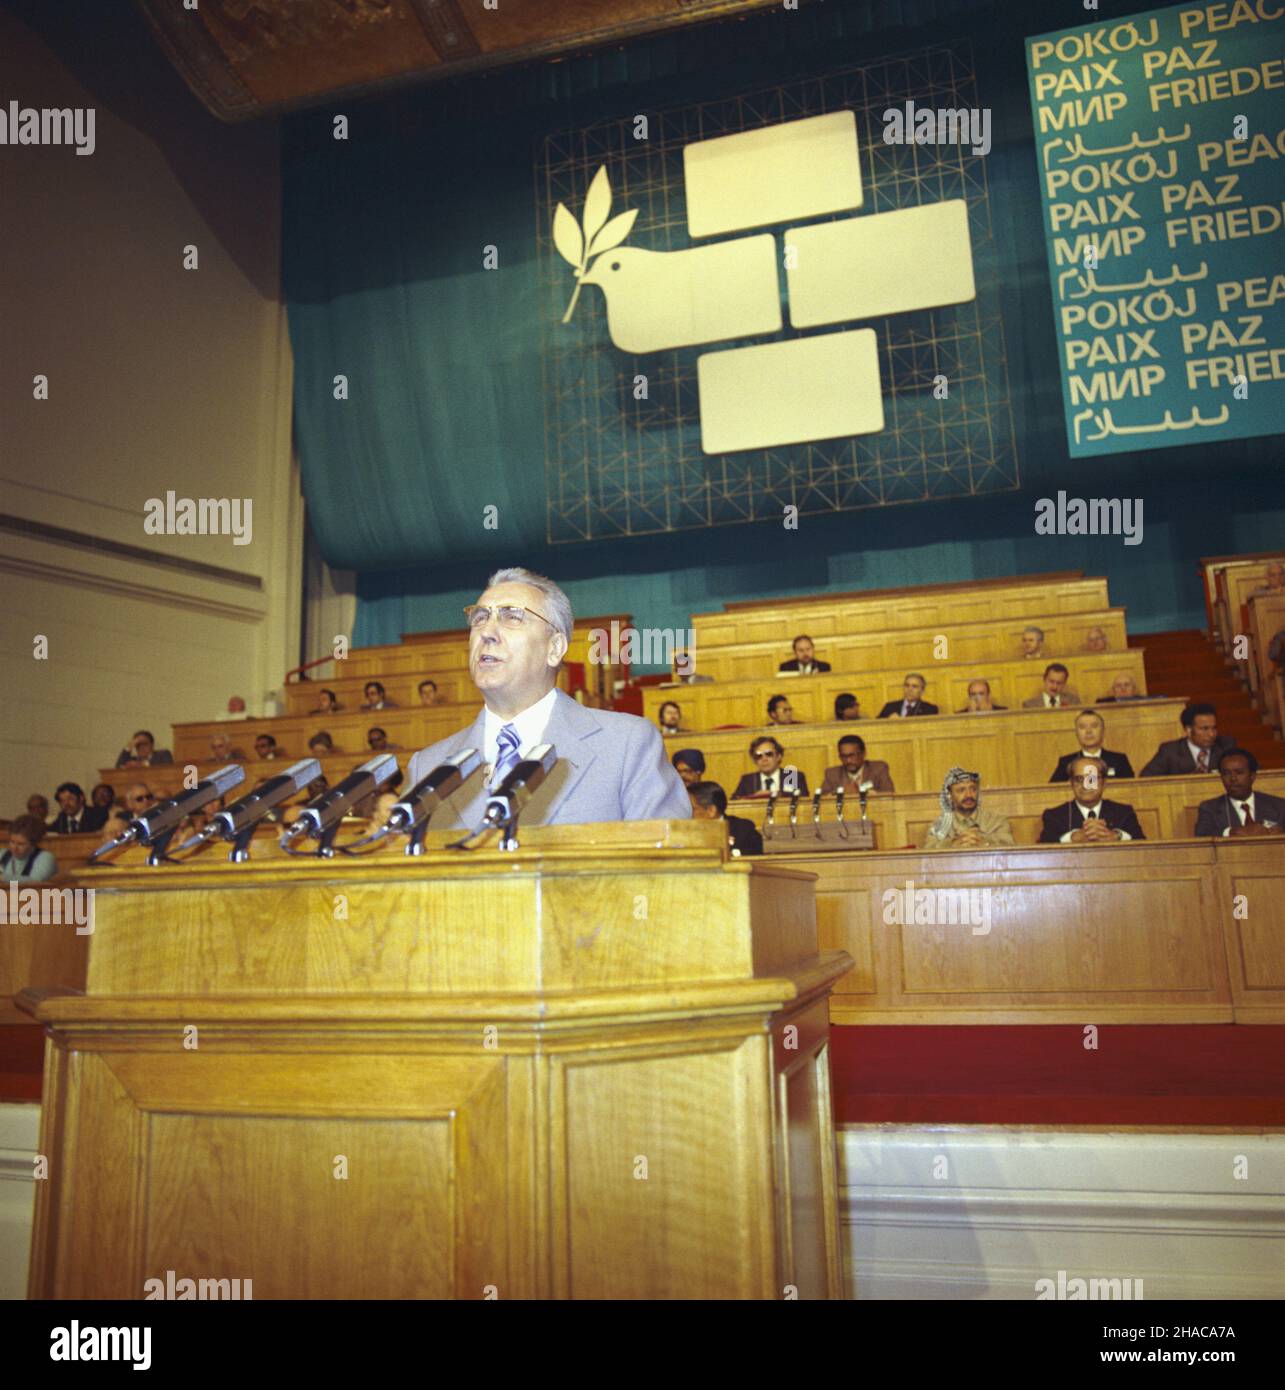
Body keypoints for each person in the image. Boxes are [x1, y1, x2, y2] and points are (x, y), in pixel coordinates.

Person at [405, 567, 690, 825]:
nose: (487, 632)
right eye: (480, 618)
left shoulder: (627, 745)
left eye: (511, 617)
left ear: (554, 648)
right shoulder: (428, 767)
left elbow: (668, 864)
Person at [1038, 756, 1145, 843]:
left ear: (1104, 783)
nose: (1086, 785)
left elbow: (1143, 846)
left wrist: (1117, 836)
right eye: (1079, 779)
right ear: (1071, 783)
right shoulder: (1054, 816)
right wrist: (1072, 838)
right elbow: (1043, 848)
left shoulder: (1124, 812)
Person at [1194, 750, 1285, 836]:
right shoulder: (1210, 808)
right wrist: (1231, 832)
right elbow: (1202, 834)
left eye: (1239, 772)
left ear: (1252, 776)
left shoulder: (1279, 805)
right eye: (1226, 773)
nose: (1233, 779)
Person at [922, 768, 1014, 850]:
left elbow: (1010, 847)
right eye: (961, 790)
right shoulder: (938, 826)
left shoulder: (997, 822)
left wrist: (982, 841)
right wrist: (952, 844)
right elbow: (929, 851)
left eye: (973, 789)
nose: (969, 795)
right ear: (950, 795)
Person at [1140, 703, 1236, 777]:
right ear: (1188, 730)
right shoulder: (1170, 751)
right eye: (1205, 729)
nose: (1211, 734)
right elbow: (1146, 778)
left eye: (1214, 728)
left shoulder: (1225, 746)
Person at [1049, 709, 1135, 782]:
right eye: (1082, 727)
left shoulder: (1119, 760)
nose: (1088, 732)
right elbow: (1053, 792)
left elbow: (1132, 789)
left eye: (1094, 726)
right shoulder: (1067, 762)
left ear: (1103, 731)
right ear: (1076, 734)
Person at [688, 781, 763, 856]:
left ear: (711, 811)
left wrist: (733, 854)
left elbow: (758, 851)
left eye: (692, 809)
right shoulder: (685, 831)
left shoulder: (742, 829)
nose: (687, 813)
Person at [732, 736, 808, 798]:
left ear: (779, 756)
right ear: (754, 760)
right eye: (759, 756)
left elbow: (803, 803)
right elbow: (735, 802)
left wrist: (778, 794)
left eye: (769, 754)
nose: (764, 759)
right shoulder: (748, 780)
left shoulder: (792, 776)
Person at [819, 735, 894, 794]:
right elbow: (823, 799)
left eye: (852, 755)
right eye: (844, 756)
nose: (848, 761)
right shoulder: (832, 774)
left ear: (863, 754)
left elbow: (889, 794)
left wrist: (862, 793)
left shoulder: (878, 769)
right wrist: (841, 792)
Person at [1, 816, 58, 881]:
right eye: (12, 842)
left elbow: (34, 881)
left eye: (20, 844)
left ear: (33, 844)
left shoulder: (45, 858)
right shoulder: (2, 854)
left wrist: (3, 878)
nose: (14, 848)